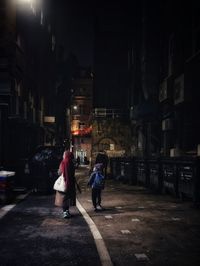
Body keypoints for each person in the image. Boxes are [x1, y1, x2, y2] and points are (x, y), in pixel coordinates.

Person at [58, 150, 76, 218]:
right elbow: (67, 175)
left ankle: (66, 211)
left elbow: (59, 172)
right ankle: (65, 212)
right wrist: (67, 184)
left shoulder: (65, 161)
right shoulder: (67, 162)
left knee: (66, 198)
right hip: (67, 183)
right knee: (65, 198)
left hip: (67, 183)